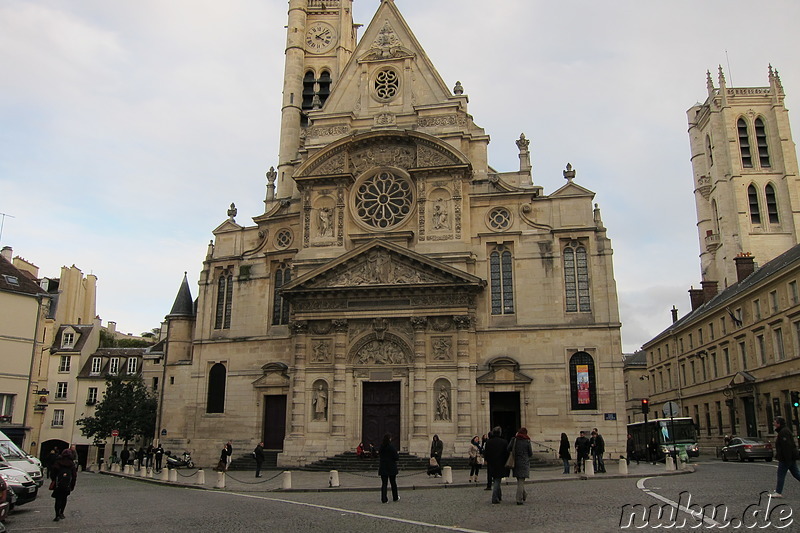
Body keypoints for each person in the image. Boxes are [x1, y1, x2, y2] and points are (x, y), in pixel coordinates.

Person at [771, 416, 800, 498]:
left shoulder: (784, 432)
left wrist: (787, 459)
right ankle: (778, 491)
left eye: (775, 422)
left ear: (778, 423)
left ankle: (778, 492)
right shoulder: (784, 431)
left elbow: (787, 447)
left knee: (781, 474)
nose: (773, 423)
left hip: (786, 458)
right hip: (788, 458)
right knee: (796, 474)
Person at [483, 426, 509, 504]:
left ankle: (499, 495)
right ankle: (494, 497)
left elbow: (486, 453)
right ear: (500, 433)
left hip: (491, 463)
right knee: (497, 480)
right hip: (501, 463)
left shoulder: (488, 442)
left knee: (496, 479)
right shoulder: (504, 442)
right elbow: (506, 454)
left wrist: (487, 460)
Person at [508, 427, 534, 505]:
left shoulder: (514, 440)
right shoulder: (527, 441)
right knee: (521, 481)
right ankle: (519, 499)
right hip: (524, 463)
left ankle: (524, 494)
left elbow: (508, 448)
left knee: (519, 480)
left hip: (516, 462)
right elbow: (530, 453)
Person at [50, 449, 77, 522]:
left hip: (58, 484)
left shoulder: (58, 462)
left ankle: (56, 515)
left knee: (58, 499)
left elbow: (53, 473)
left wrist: (53, 480)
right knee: (64, 498)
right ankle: (61, 512)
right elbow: (74, 476)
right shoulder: (71, 464)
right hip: (67, 484)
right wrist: (72, 485)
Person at [378, 433, 400, 503]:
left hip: (383, 467)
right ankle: (395, 497)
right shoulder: (391, 447)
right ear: (389, 439)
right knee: (393, 483)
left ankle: (384, 499)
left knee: (384, 484)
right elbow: (396, 457)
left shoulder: (381, 447)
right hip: (391, 467)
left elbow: (380, 455)